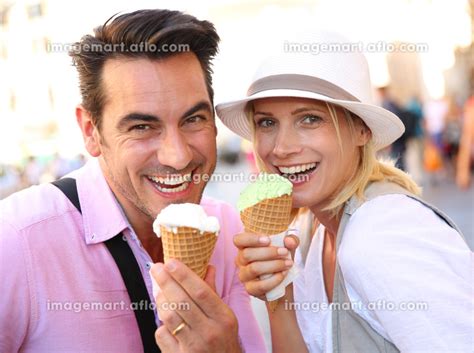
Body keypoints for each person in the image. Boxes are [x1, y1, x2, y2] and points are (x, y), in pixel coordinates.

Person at [0, 10, 265, 353]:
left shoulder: (226, 227)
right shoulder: (16, 240)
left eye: (193, 119)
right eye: (142, 127)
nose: (178, 156)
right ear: (90, 131)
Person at [216, 31, 472, 353]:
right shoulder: (308, 228)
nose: (281, 148)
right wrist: (278, 294)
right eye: (267, 123)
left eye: (309, 119)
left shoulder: (383, 232)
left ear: (361, 130)